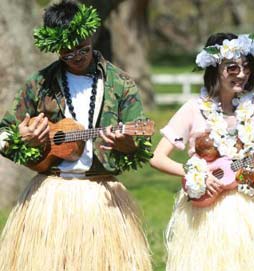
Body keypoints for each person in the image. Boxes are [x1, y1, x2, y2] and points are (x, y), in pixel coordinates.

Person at [0, 1, 152, 270]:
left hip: (102, 195)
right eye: (68, 54)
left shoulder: (120, 83)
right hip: (50, 197)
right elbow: (4, 134)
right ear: (56, 49)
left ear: (91, 36)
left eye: (84, 49)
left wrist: (128, 144)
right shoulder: (40, 84)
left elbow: (140, 144)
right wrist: (21, 138)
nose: (78, 57)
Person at [150, 32, 254, 271]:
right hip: (206, 212)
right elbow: (157, 158)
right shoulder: (193, 109)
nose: (242, 74)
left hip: (250, 208)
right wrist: (196, 174)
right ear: (214, 69)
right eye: (232, 68)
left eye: (246, 67)